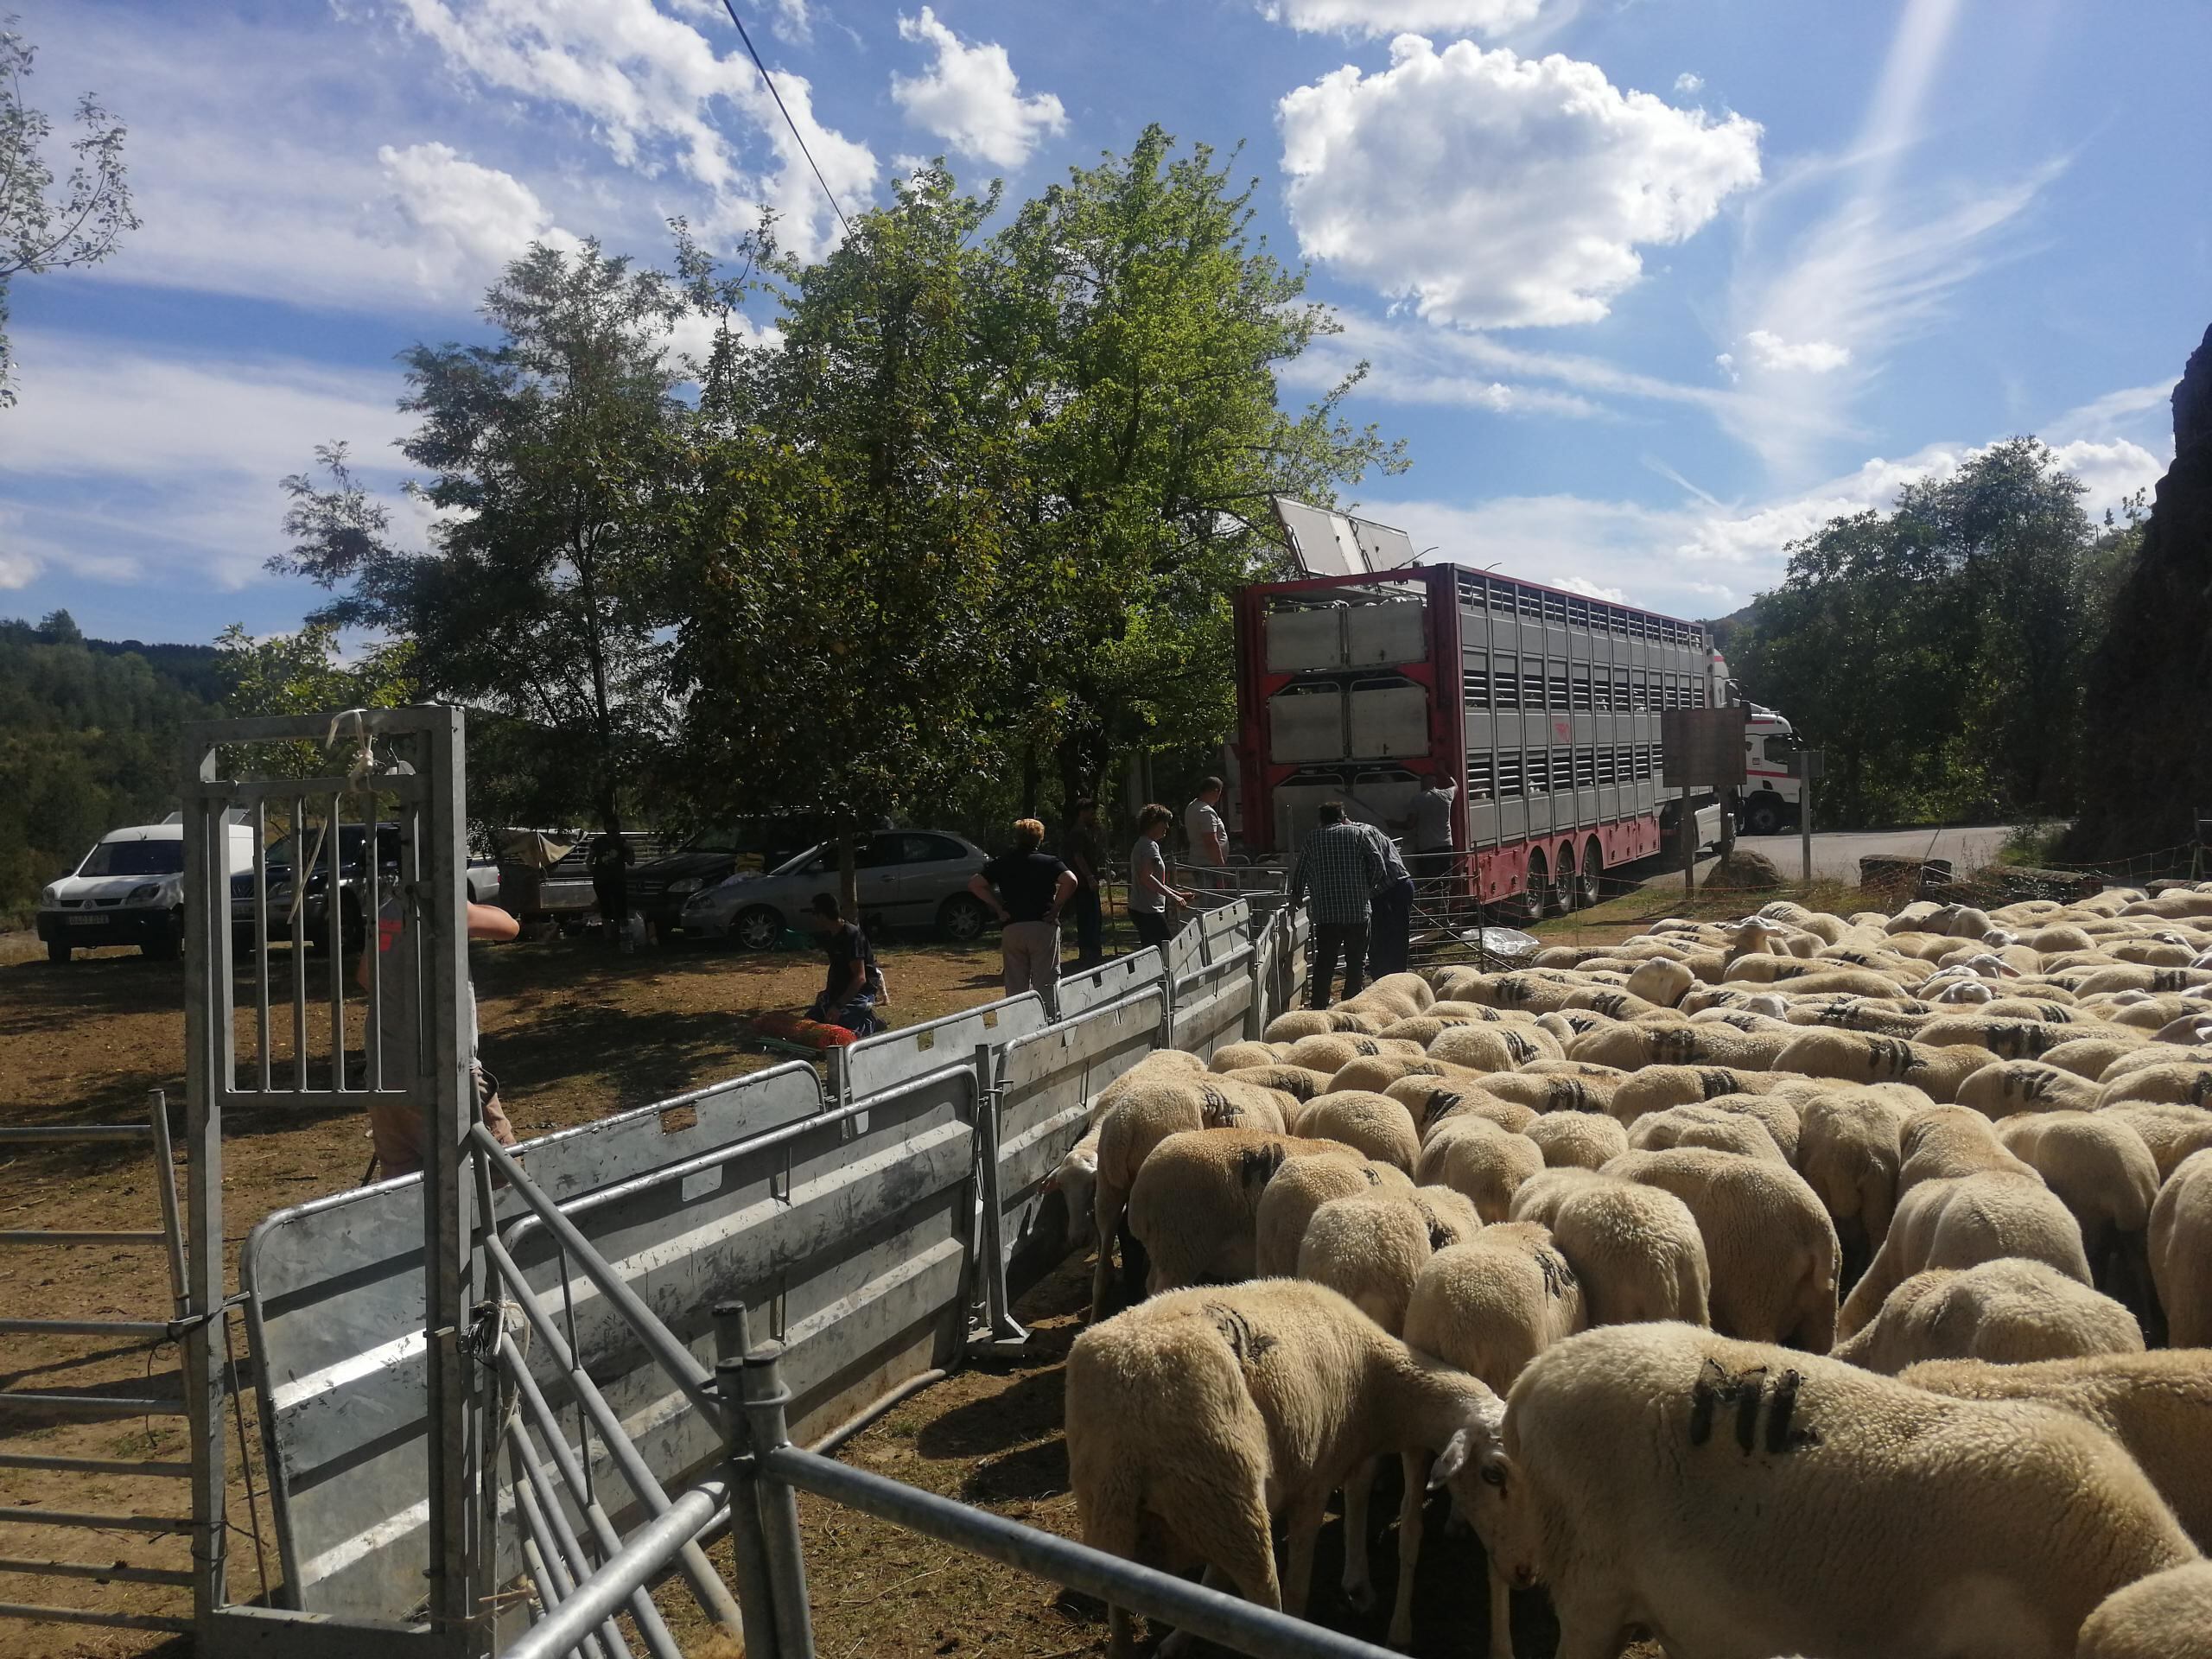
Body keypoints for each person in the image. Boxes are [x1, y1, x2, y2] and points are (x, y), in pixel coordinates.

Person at [362, 891, 520, 1180]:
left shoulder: (385, 910)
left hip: (386, 1073)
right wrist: (467, 905)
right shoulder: (445, 905)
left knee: (404, 1189)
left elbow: (365, 975)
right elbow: (510, 927)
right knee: (505, 1176)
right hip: (450, 1072)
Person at [969, 818, 1078, 1016]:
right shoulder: (1049, 862)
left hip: (1012, 927)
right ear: (1040, 838)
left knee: (1015, 983)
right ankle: (1049, 1020)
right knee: (1046, 981)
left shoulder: (1002, 862)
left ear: (1017, 838)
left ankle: (1018, 1021)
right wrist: (1056, 909)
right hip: (1042, 925)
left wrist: (999, 908)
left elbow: (975, 884)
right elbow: (1071, 881)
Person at [1289, 801, 1386, 1009]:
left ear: (1321, 820)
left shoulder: (1313, 839)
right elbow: (1378, 863)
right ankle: (1350, 1007)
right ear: (1343, 817)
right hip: (1357, 911)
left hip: (1327, 913)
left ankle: (1319, 1008)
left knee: (1325, 962)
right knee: (1356, 962)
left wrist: (1296, 894)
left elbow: (1302, 870)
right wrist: (1367, 886)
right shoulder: (1357, 835)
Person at [798, 893, 883, 1036]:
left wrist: (838, 1005)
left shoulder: (852, 935)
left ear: (823, 916)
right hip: (841, 989)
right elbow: (835, 967)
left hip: (861, 990)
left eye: (814, 913)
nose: (813, 918)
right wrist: (828, 991)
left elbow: (860, 977)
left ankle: (871, 1022)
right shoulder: (830, 936)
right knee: (814, 1020)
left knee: (842, 1029)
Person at [1351, 817, 1417, 978]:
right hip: (1389, 887)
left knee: (1388, 936)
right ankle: (1386, 976)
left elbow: (1377, 864)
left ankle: (1392, 978)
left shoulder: (1362, 834)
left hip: (1392, 887)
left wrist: (1365, 888)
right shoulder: (1362, 830)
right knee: (1383, 936)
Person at [1128, 803, 1191, 950]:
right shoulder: (1150, 846)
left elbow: (1154, 881)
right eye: (1165, 823)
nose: (1167, 828)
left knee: (1152, 951)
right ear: (1154, 823)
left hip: (1143, 908)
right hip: (1148, 910)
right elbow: (1146, 878)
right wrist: (1174, 897)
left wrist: (1178, 894)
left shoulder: (1142, 844)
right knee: (1166, 950)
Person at [1064, 798, 1107, 969]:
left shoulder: (1089, 831)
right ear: (1081, 812)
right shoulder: (1078, 833)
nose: (1093, 815)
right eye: (1090, 812)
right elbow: (1078, 856)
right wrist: (1089, 877)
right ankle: (1089, 952)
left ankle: (1092, 951)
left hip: (1089, 881)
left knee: (1093, 917)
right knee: (1089, 917)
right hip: (1084, 883)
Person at [588, 832, 633, 950]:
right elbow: (589, 860)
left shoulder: (621, 843)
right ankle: (609, 938)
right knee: (606, 909)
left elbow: (631, 861)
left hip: (618, 880)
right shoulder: (598, 842)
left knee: (621, 909)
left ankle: (621, 936)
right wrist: (596, 871)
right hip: (602, 881)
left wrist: (630, 850)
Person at [1183, 777, 1229, 889]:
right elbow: (1211, 841)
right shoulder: (1206, 811)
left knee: (1208, 899)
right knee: (1214, 901)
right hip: (1209, 865)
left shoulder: (1192, 807)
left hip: (1200, 862)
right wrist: (1221, 867)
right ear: (1216, 791)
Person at [1410, 771, 1459, 857]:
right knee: (1447, 871)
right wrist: (1443, 770)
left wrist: (1393, 824)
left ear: (1422, 784)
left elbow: (1409, 824)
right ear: (1435, 783)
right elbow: (1455, 786)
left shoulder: (1417, 799)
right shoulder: (1446, 795)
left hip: (1427, 846)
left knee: (1430, 871)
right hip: (1446, 844)